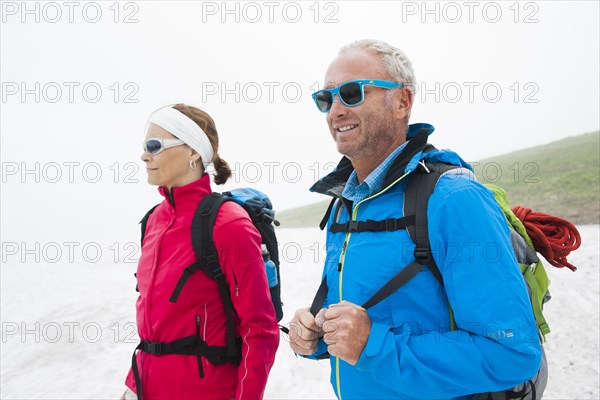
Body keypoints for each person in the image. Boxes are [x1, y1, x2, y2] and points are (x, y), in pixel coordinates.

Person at [288, 39, 543, 399]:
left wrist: (373, 345)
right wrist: (317, 336)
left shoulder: (454, 199)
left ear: (402, 101)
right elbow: (362, 317)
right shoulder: (345, 205)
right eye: (326, 99)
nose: (336, 110)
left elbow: (512, 354)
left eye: (352, 92)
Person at [122, 104, 279, 400]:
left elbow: (260, 330)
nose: (145, 155)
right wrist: (133, 387)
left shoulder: (228, 224)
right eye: (144, 147)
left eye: (154, 146)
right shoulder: (153, 221)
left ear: (193, 151)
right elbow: (154, 327)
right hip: (147, 388)